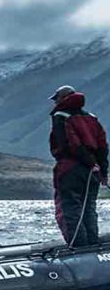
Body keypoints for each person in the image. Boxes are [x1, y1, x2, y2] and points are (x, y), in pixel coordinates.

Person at [49, 85, 109, 247]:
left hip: (70, 169)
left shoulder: (61, 117)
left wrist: (89, 162)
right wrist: (102, 171)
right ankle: (92, 245)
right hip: (92, 172)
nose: (54, 103)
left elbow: (70, 143)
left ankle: (78, 247)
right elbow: (103, 146)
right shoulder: (92, 118)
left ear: (63, 98)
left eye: (56, 99)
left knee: (69, 208)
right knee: (88, 208)